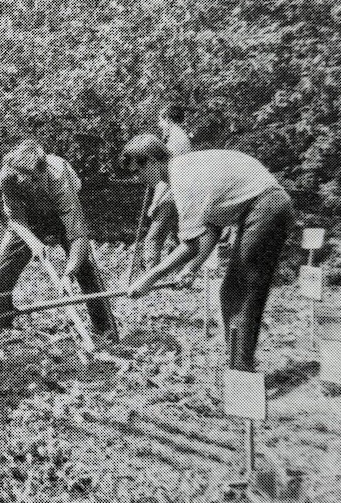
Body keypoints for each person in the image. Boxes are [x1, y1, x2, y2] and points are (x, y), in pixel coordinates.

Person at [124, 134, 294, 372]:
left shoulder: (181, 178)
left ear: (152, 161)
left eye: (137, 171)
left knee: (240, 293)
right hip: (265, 206)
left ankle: (241, 375)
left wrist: (148, 279)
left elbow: (191, 246)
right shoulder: (183, 169)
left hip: (267, 207)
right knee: (231, 292)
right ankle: (238, 366)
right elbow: (211, 229)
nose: (138, 179)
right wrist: (192, 268)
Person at [0, 139, 118, 340]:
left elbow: (78, 235)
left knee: (84, 266)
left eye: (31, 180)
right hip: (31, 214)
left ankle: (105, 329)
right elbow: (16, 219)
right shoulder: (8, 176)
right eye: (21, 180)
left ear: (42, 171)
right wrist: (33, 242)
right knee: (7, 263)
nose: (25, 184)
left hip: (60, 211)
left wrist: (68, 274)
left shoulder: (59, 177)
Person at [142, 103, 194, 266]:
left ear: (168, 120)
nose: (159, 125)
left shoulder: (174, 142)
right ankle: (180, 277)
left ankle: (150, 278)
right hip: (180, 196)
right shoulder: (180, 138)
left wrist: (155, 203)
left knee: (152, 240)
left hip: (171, 197)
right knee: (177, 241)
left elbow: (167, 176)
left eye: (161, 120)